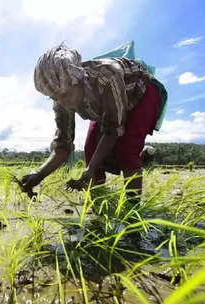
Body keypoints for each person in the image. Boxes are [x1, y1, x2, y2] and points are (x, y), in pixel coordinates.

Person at [20, 44, 167, 203]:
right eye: (55, 97)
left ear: (78, 80)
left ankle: (132, 209)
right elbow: (63, 146)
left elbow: (113, 129)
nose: (63, 102)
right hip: (108, 106)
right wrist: (39, 174)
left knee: (127, 148)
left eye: (66, 95)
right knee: (90, 148)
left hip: (141, 92)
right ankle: (98, 203)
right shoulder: (61, 102)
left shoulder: (107, 76)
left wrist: (90, 170)